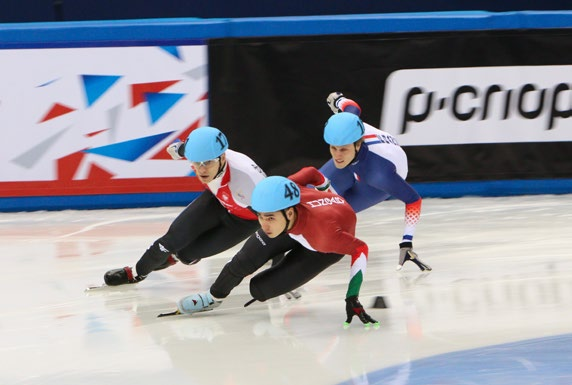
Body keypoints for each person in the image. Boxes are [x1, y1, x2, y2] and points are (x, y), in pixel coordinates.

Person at [175, 92, 429, 315]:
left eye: (342, 149)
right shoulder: (348, 123)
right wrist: (338, 98)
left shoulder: (380, 174)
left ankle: (300, 255)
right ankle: (270, 252)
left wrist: (406, 241)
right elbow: (351, 107)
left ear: (358, 143)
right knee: (305, 197)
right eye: (332, 148)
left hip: (372, 184)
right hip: (354, 161)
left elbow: (413, 199)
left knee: (335, 211)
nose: (336, 154)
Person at [177, 176, 379, 328]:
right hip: (291, 225)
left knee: (260, 289)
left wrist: (352, 296)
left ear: (289, 212)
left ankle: (283, 276)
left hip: (320, 247)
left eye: (269, 218)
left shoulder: (326, 236)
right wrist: (328, 192)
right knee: (243, 261)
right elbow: (311, 173)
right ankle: (213, 298)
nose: (264, 224)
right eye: (260, 217)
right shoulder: (283, 194)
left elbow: (360, 248)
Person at [103, 126, 266, 286]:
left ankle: (174, 258)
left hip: (245, 221)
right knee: (171, 240)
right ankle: (135, 273)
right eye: (196, 162)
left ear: (222, 158)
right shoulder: (190, 150)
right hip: (217, 200)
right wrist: (177, 149)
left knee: (187, 255)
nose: (201, 169)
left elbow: (277, 223)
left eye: (208, 162)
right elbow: (178, 149)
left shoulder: (249, 182)